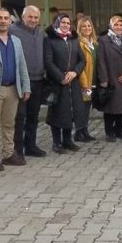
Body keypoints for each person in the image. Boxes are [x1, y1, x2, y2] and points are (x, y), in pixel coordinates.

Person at [0, 8, 31, 171]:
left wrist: (26, 86)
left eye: (6, 18)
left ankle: (8, 154)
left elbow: (22, 65)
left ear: (10, 21)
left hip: (13, 89)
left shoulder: (16, 41)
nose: (3, 21)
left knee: (9, 123)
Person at [9, 5, 48, 161]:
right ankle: (17, 149)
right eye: (30, 17)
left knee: (33, 115)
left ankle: (30, 145)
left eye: (35, 17)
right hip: (20, 81)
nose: (33, 20)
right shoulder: (12, 31)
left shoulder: (40, 33)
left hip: (38, 80)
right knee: (19, 116)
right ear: (23, 17)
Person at [45, 13, 85, 153]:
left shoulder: (74, 39)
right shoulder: (50, 40)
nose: (66, 25)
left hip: (72, 82)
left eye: (68, 23)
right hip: (57, 82)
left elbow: (82, 60)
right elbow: (48, 62)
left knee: (69, 111)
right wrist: (60, 77)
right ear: (57, 23)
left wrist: (75, 72)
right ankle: (56, 143)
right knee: (57, 113)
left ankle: (67, 141)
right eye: (63, 22)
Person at [98, 14, 122, 142]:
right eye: (116, 25)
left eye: (121, 25)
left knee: (121, 106)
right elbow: (101, 61)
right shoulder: (104, 40)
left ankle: (120, 130)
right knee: (110, 106)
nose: (119, 27)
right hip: (111, 77)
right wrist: (104, 79)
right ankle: (109, 132)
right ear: (110, 26)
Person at [75, 16, 98, 143]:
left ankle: (85, 131)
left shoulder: (94, 43)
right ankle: (79, 132)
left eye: (89, 26)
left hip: (93, 80)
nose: (87, 28)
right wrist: (84, 83)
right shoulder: (79, 43)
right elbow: (80, 65)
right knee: (82, 107)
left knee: (87, 106)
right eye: (84, 26)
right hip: (85, 81)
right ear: (79, 28)